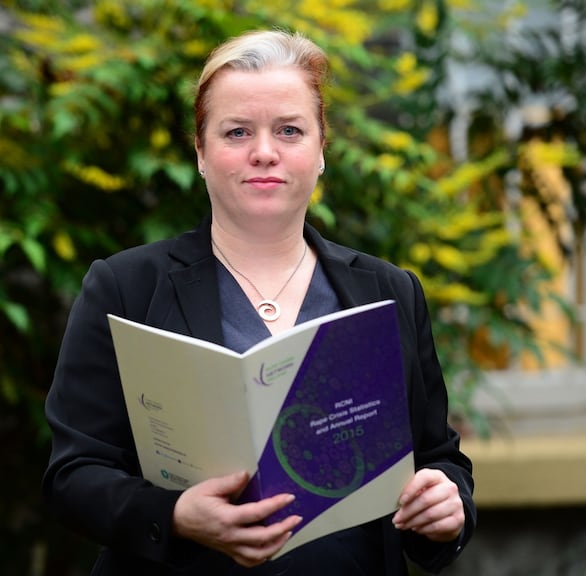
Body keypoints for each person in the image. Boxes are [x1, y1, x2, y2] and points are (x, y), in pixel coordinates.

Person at [43, 29, 475, 575]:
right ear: (201, 152)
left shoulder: (389, 291)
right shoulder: (125, 288)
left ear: (321, 150)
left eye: (290, 130)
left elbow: (438, 459)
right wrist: (174, 515)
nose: (264, 152)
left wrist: (447, 506)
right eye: (237, 132)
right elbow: (73, 475)